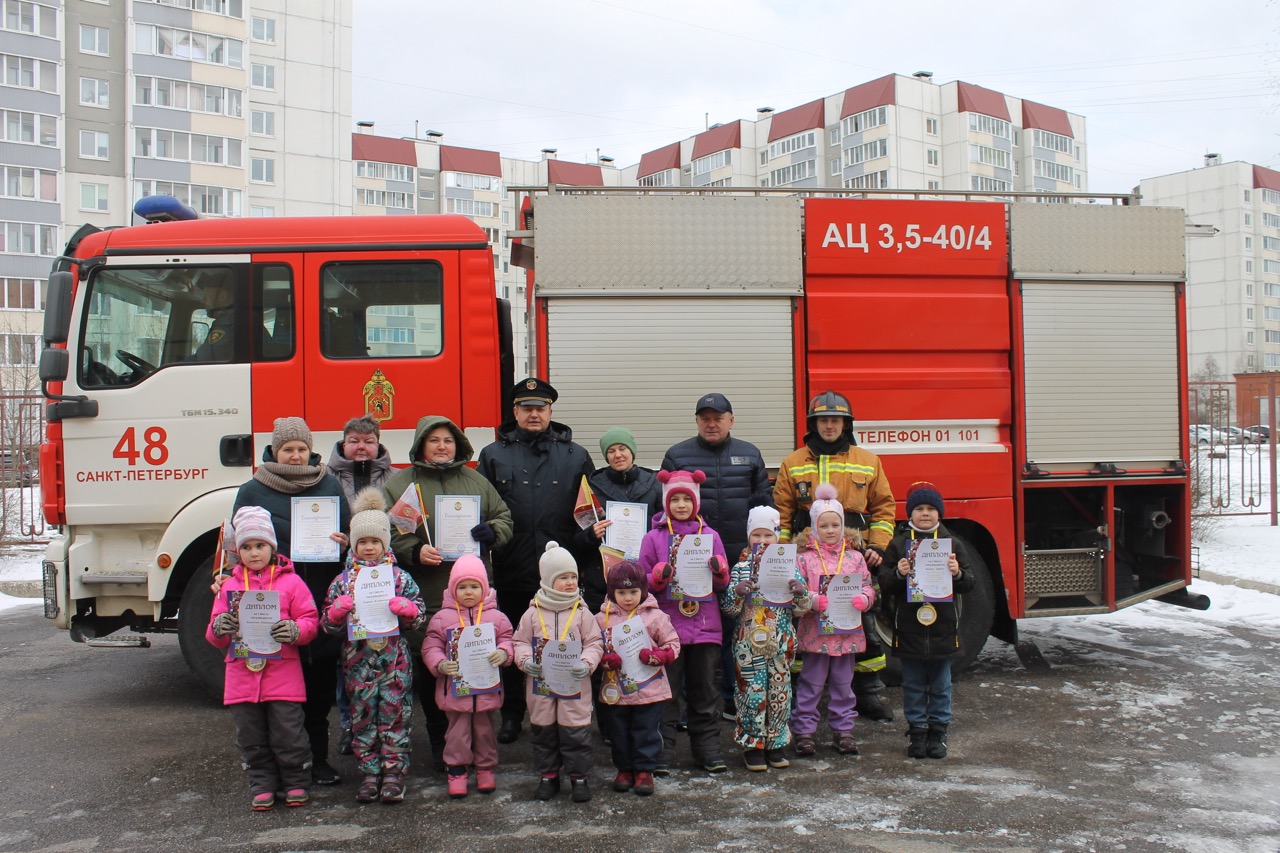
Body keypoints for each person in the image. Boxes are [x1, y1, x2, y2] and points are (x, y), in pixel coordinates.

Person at [381, 415, 513, 771]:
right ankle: (443, 740)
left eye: (448, 440)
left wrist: (492, 531)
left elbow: (504, 518)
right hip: (428, 589)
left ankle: (480, 743)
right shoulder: (402, 485)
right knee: (436, 665)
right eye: (434, 440)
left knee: (478, 659)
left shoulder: (475, 481)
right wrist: (413, 550)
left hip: (474, 593)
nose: (442, 446)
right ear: (421, 444)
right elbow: (387, 531)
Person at [231, 417, 352, 786]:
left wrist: (345, 542)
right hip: (271, 605)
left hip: (318, 598)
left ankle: (317, 761)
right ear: (275, 451)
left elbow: (348, 532)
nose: (296, 456)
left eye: (301, 449)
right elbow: (236, 546)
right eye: (289, 449)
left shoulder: (328, 482)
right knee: (277, 693)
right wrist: (226, 577)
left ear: (310, 450)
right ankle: (278, 768)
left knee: (317, 689)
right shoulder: (253, 489)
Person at [477, 378, 594, 744]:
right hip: (514, 568)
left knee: (567, 643)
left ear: (550, 412)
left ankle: (567, 712)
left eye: (540, 408)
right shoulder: (493, 455)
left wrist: (590, 542)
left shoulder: (575, 455)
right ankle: (512, 715)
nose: (533, 414)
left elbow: (587, 511)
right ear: (515, 412)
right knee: (516, 645)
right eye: (526, 408)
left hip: (563, 577)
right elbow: (482, 506)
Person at [773, 389, 897, 722]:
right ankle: (801, 697)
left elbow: (884, 508)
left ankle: (868, 694)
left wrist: (878, 546)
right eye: (823, 420)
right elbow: (783, 513)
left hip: (854, 555)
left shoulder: (868, 460)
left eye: (836, 420)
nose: (829, 425)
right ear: (813, 424)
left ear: (846, 423)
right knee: (804, 623)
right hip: (807, 556)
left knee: (862, 624)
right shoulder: (793, 462)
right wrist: (785, 556)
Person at [661, 392, 770, 722]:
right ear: (696, 421)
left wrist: (761, 554)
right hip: (690, 569)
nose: (711, 423)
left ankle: (730, 699)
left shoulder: (749, 455)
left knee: (734, 632)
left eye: (718, 417)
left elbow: (763, 506)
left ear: (731, 420)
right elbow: (663, 512)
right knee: (687, 634)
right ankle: (681, 706)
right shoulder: (677, 456)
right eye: (705, 417)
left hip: (737, 564)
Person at [206, 505, 319, 811]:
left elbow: (311, 621)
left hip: (283, 677)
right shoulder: (228, 586)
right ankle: (262, 782)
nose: (254, 553)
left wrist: (296, 630)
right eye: (246, 547)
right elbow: (213, 636)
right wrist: (220, 627)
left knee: (289, 734)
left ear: (272, 547)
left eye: (260, 546)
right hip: (242, 679)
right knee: (251, 736)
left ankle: (296, 781)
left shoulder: (291, 582)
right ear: (237, 551)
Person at [320, 489, 426, 804]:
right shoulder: (342, 581)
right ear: (354, 544)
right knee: (362, 715)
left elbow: (418, 617)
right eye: (362, 541)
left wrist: (407, 611)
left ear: (385, 544)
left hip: (395, 663)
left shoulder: (399, 577)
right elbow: (326, 624)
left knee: (395, 714)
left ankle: (393, 773)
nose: (368, 547)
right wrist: (337, 612)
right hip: (358, 663)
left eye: (375, 541)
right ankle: (369, 772)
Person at [638, 469, 731, 775]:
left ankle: (707, 750)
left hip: (705, 626)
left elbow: (722, 585)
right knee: (667, 692)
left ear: (696, 502)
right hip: (667, 628)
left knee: (705, 691)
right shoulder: (653, 538)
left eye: (686, 499)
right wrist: (658, 577)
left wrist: (719, 572)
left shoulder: (711, 537)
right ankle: (662, 753)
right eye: (674, 499)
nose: (680, 504)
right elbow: (642, 585)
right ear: (665, 502)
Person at [879, 481, 976, 760]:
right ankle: (918, 732)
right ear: (909, 513)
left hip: (943, 628)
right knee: (912, 683)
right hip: (910, 628)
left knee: (941, 684)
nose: (925, 513)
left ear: (940, 513)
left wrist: (957, 573)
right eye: (919, 508)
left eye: (931, 508)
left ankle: (938, 732)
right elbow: (884, 583)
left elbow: (969, 584)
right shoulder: (898, 544)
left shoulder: (952, 544)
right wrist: (898, 573)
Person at [720, 505, 810, 771]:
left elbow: (803, 609)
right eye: (756, 535)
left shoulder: (789, 567)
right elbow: (729, 609)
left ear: (777, 537)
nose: (761, 541)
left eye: (767, 535)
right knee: (751, 692)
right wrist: (737, 592)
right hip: (749, 644)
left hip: (781, 642)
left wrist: (801, 592)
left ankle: (776, 742)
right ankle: (753, 745)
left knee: (780, 692)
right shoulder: (740, 567)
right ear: (749, 537)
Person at [511, 543, 604, 802]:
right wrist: (525, 661)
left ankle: (579, 778)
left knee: (575, 733)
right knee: (544, 732)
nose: (570, 582)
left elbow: (595, 643)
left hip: (574, 685)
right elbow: (518, 643)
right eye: (563, 578)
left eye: (573, 577)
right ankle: (548, 775)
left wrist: (586, 663)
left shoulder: (583, 613)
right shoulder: (532, 613)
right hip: (540, 687)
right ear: (549, 580)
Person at [326, 415, 394, 758]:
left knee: (384, 659)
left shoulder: (395, 480)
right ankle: (349, 727)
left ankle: (387, 727)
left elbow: (406, 523)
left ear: (378, 443)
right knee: (348, 660)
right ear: (343, 443)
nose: (361, 446)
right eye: (354, 440)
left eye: (368, 440)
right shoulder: (325, 479)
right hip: (344, 580)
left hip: (385, 583)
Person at [792, 484, 875, 758]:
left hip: (846, 634)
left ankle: (843, 730)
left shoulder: (855, 558)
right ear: (814, 528)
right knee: (811, 683)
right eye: (823, 525)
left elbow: (868, 585)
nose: (830, 530)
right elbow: (797, 590)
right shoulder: (803, 559)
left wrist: (865, 599)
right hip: (815, 634)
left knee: (843, 684)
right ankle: (804, 731)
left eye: (835, 524)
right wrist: (813, 601)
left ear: (843, 526)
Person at [422, 555, 515, 799]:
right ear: (453, 590)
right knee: (456, 732)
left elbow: (507, 638)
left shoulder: (497, 617)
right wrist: (440, 664)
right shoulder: (442, 618)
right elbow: (431, 646)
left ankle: (485, 769)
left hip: (485, 689)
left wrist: (504, 653)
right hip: (455, 690)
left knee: (485, 730)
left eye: (474, 586)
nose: (469, 592)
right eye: (462, 587)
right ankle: (457, 771)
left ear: (484, 588)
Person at [595, 560, 680, 796]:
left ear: (643, 590)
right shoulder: (601, 619)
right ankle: (624, 769)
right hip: (616, 690)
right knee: (618, 732)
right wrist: (605, 659)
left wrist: (660, 656)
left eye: (633, 592)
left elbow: (673, 643)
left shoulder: (655, 617)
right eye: (621, 593)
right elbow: (592, 648)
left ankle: (644, 770)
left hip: (649, 689)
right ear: (612, 593)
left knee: (647, 730)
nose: (628, 598)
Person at [575, 426, 663, 609]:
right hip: (603, 579)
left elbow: (665, 526)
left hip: (644, 573)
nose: (618, 455)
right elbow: (578, 536)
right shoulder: (592, 487)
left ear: (632, 451)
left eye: (622, 449)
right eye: (611, 451)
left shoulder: (654, 483)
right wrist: (591, 534)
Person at [328, 416, 395, 508]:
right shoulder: (324, 477)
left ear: (377, 446)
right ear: (344, 446)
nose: (361, 446)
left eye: (368, 442)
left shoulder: (397, 478)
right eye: (354, 441)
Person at [188, 269, 235, 362]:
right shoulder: (235, 319)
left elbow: (203, 360)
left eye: (206, 296)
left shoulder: (229, 324)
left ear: (223, 297)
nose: (203, 301)